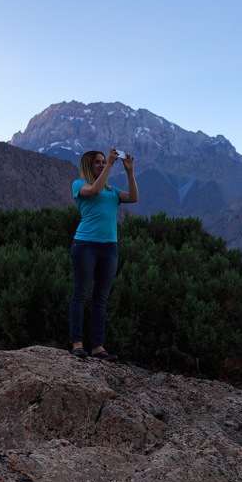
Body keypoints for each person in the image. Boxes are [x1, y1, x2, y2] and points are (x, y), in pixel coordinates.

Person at [69, 148, 138, 361]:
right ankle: (77, 343)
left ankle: (98, 347)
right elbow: (94, 191)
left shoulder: (112, 190)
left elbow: (134, 197)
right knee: (81, 294)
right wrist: (110, 164)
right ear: (88, 165)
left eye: (103, 161)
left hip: (110, 248)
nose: (101, 164)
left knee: (101, 299)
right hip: (85, 245)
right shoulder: (80, 185)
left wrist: (129, 172)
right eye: (97, 162)